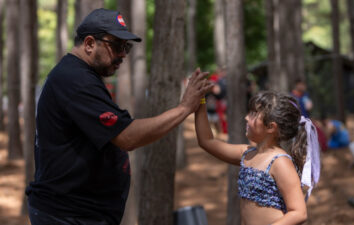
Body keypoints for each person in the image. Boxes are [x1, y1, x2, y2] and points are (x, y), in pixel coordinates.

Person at [25, 8, 213, 225]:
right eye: (116, 46)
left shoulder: (80, 75)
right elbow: (127, 137)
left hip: (78, 213)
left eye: (127, 47)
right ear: (89, 44)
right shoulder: (75, 80)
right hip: (67, 215)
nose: (123, 54)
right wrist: (183, 108)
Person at [195, 91, 320, 225]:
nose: (246, 118)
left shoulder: (280, 162)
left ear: (271, 127)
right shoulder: (247, 154)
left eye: (254, 114)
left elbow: (299, 212)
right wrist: (201, 100)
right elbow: (206, 141)